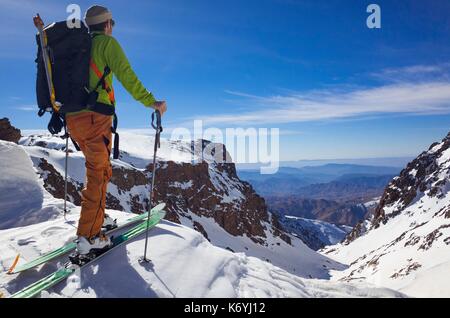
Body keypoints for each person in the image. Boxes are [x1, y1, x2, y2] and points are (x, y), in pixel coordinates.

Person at [65, 5, 167, 255]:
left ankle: (97, 217)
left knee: (99, 169)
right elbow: (127, 77)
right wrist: (151, 102)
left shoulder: (77, 47)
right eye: (113, 23)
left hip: (72, 119)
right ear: (107, 24)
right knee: (97, 174)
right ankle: (89, 237)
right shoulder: (106, 44)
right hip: (95, 117)